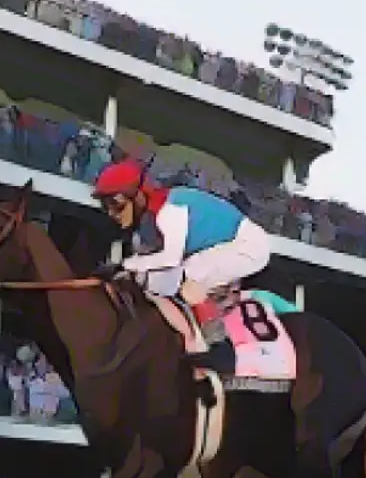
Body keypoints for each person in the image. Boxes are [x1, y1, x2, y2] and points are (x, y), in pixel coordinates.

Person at [90, 158, 272, 370]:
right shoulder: (145, 227)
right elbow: (147, 270)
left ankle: (220, 347)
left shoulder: (169, 212)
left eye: (117, 206)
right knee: (156, 284)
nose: (112, 214)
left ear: (137, 197)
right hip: (212, 249)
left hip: (248, 245)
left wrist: (125, 265)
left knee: (191, 276)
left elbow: (170, 259)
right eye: (106, 207)